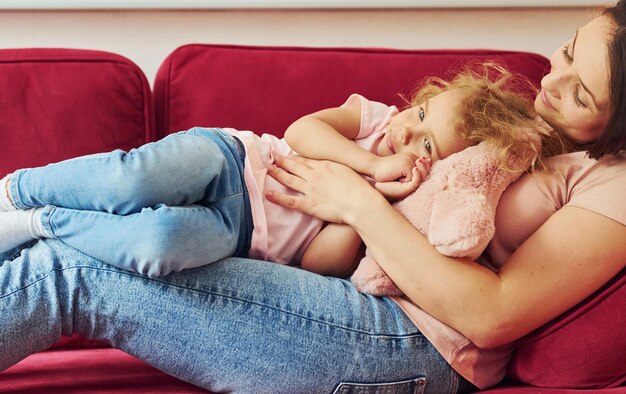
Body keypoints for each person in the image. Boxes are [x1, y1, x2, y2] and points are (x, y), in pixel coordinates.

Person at [0, 2, 625, 393]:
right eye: (566, 51)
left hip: (413, 336)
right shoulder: (513, 119)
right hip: (348, 286)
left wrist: (356, 202)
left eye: (581, 95)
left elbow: (494, 317)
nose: (551, 80)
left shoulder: (615, 183)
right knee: (83, 251)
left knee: (68, 272)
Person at [0, 65, 540, 279]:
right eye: (421, 113)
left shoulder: (399, 218)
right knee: (130, 181)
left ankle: (40, 224)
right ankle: (16, 190)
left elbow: (315, 263)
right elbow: (304, 131)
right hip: (234, 160)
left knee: (157, 245)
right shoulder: (377, 122)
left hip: (242, 238)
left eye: (426, 143)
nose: (408, 131)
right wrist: (370, 163)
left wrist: (367, 207)